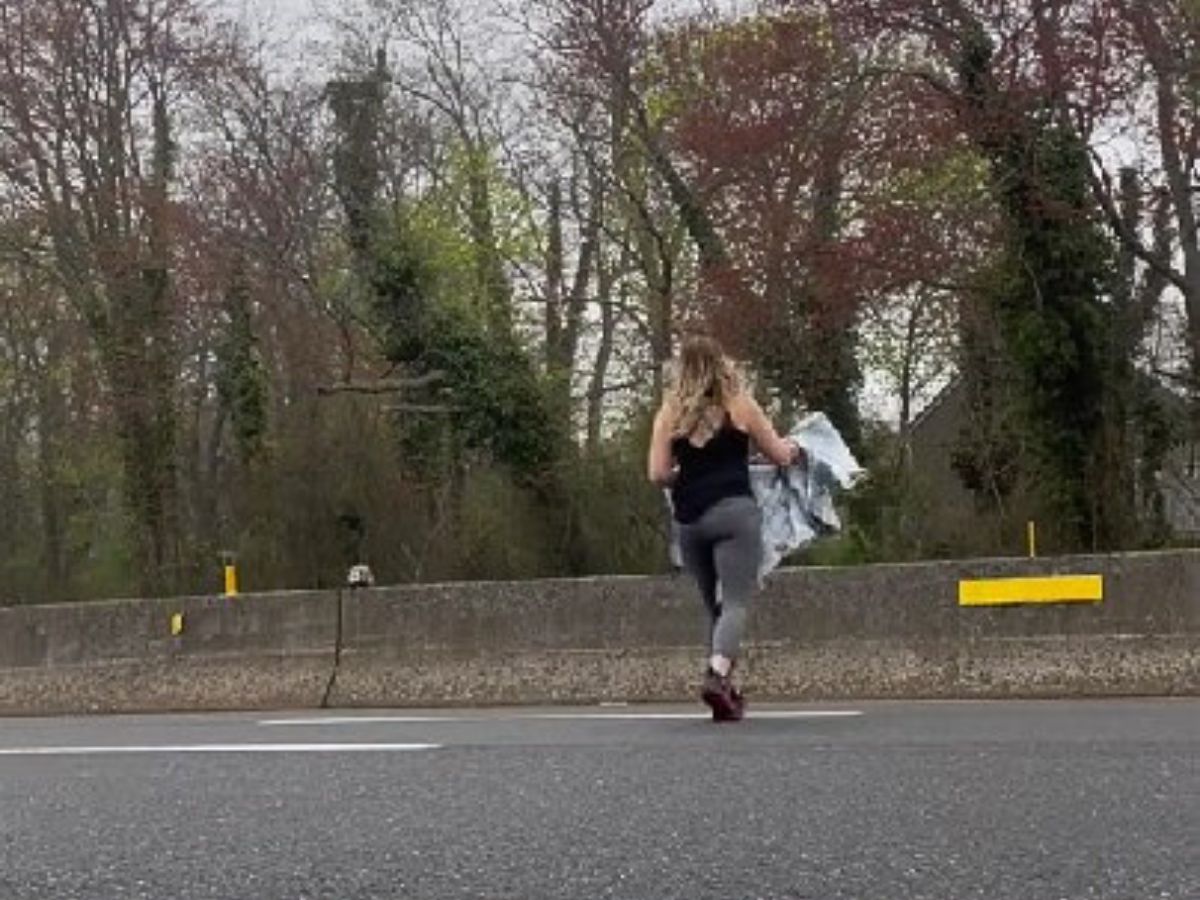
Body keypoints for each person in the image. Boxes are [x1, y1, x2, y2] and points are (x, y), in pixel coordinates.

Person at [647, 334, 801, 721]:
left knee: (713, 607)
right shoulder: (740, 405)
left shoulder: (670, 412)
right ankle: (716, 676)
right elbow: (780, 455)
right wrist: (795, 449)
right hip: (734, 514)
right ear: (722, 363)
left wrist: (688, 473)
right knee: (735, 602)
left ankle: (727, 689)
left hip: (690, 520)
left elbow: (657, 473)